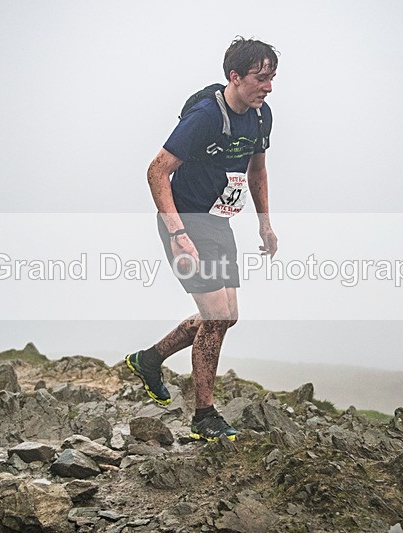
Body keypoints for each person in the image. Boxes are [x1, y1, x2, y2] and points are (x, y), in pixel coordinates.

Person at [126, 37, 278, 441]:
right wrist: (177, 233)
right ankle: (204, 416)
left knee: (228, 315)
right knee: (215, 318)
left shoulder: (261, 118)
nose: (268, 87)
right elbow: (156, 171)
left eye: (272, 78)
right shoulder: (205, 116)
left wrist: (265, 224)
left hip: (218, 223)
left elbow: (256, 172)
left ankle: (149, 359)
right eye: (261, 78)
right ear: (235, 76)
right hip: (185, 222)